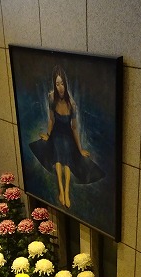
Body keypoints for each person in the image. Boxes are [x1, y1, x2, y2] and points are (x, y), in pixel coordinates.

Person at [29, 66, 103, 208]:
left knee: (67, 159)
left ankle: (67, 192)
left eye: (62, 83)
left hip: (68, 134)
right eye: (57, 84)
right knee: (58, 158)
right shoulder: (51, 97)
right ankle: (61, 191)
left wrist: (80, 149)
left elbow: (74, 128)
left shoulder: (72, 104)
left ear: (65, 84)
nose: (60, 87)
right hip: (56, 133)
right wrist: (48, 135)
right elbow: (51, 120)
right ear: (54, 85)